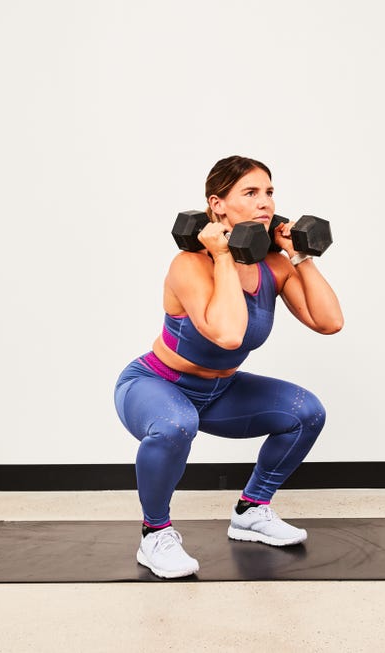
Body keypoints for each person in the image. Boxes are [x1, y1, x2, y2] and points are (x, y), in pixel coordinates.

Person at [113, 155, 344, 578]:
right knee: (175, 424)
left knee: (306, 412)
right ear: (217, 205)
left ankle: (252, 510)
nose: (265, 204)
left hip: (221, 392)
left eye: (269, 192)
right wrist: (223, 256)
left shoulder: (273, 266)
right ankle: (155, 535)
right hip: (156, 384)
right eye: (250, 193)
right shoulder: (189, 265)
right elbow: (229, 334)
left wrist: (301, 257)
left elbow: (329, 322)